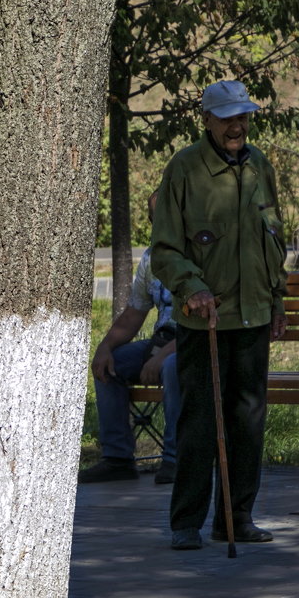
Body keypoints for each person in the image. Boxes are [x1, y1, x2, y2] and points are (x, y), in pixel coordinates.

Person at [150, 80, 288, 551]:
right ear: (206, 120)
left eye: (244, 116)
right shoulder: (185, 168)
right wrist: (193, 287)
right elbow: (165, 249)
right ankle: (186, 521)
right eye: (228, 117)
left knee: (248, 420)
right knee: (200, 423)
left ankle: (237, 518)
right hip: (203, 320)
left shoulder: (260, 165)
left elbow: (274, 240)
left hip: (253, 316)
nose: (237, 125)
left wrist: (279, 299)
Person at [79, 193, 181, 485]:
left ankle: (176, 459)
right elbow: (134, 313)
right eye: (155, 218)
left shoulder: (201, 254)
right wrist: (105, 347)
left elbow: (203, 324)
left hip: (197, 344)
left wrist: (162, 357)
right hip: (163, 342)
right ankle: (118, 459)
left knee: (173, 367)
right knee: (109, 365)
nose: (162, 224)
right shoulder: (151, 258)